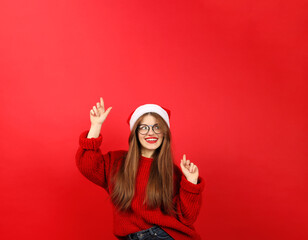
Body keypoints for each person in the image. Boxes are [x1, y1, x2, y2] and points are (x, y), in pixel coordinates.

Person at [76, 97, 205, 240]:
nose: (151, 133)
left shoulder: (171, 172)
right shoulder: (116, 162)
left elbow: (187, 218)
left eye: (157, 127)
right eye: (144, 127)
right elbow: (87, 165)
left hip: (163, 235)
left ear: (164, 134)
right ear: (135, 133)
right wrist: (96, 125)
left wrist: (191, 183)